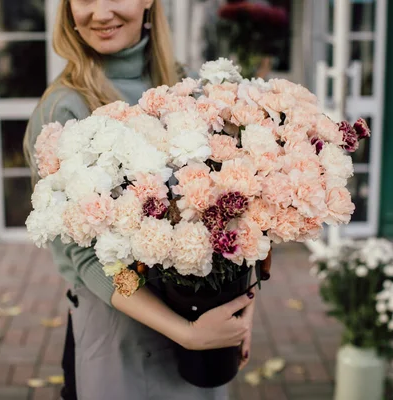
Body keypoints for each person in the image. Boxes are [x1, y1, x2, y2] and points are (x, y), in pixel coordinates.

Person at [23, 1, 266, 399]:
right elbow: (87, 260)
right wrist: (185, 333)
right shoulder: (63, 110)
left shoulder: (188, 87)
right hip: (118, 334)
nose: (101, 13)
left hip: (206, 325)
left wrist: (242, 307)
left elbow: (241, 210)